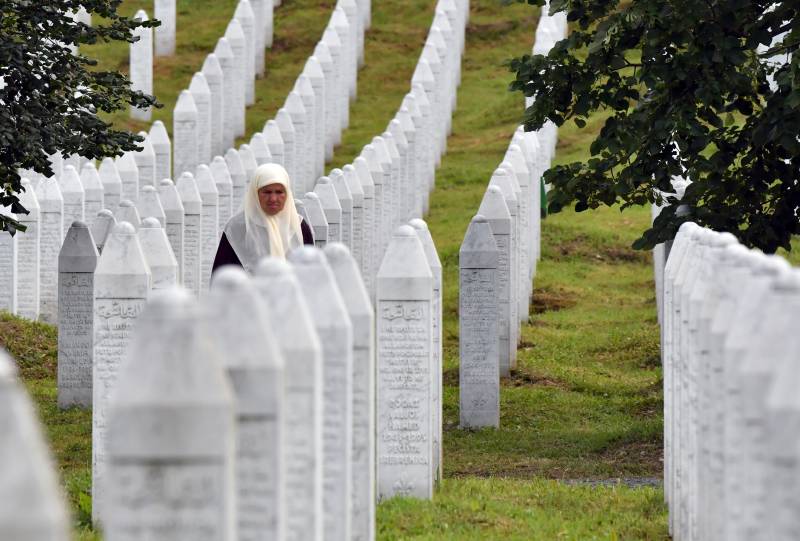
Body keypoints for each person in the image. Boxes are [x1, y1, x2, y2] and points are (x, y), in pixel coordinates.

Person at [212, 163, 313, 274]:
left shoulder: (298, 226)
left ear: (287, 194)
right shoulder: (238, 228)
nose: (273, 198)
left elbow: (311, 275)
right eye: (267, 192)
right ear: (255, 193)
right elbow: (222, 277)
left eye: (279, 192)